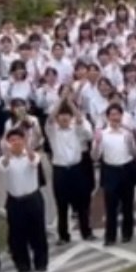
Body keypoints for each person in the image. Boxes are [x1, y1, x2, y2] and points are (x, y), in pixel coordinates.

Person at [0, 129, 49, 272]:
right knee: (17, 235)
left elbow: (34, 161)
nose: (16, 142)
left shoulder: (32, 155)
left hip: (33, 198)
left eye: (18, 139)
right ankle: (22, 264)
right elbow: (3, 166)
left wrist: (27, 146)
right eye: (12, 140)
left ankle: (41, 263)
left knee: (38, 232)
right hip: (15, 201)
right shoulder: (3, 160)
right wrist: (8, 152)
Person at [46, 99, 94, 245]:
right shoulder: (53, 131)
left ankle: (86, 232)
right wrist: (61, 100)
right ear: (57, 118)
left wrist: (71, 104)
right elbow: (50, 118)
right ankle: (63, 235)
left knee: (82, 203)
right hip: (60, 171)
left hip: (76, 169)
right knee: (62, 205)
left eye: (67, 115)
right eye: (61, 115)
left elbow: (80, 120)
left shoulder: (76, 130)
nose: (64, 117)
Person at [92, 103, 136, 246]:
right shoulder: (102, 134)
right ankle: (110, 236)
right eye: (112, 114)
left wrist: (131, 143)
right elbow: (95, 157)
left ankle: (127, 233)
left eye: (117, 114)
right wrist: (97, 143)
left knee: (128, 205)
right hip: (110, 171)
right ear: (108, 117)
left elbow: (134, 154)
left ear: (121, 116)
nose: (115, 117)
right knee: (110, 207)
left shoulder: (127, 133)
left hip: (126, 169)